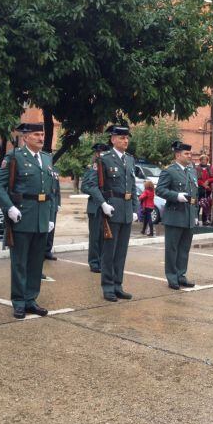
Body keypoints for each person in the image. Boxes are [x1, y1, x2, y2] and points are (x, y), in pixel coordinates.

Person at [0, 123, 57, 316]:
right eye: (36, 134)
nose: (41, 138)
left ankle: (31, 299)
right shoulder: (14, 157)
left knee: (36, 263)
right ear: (25, 137)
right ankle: (19, 301)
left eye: (42, 134)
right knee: (20, 263)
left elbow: (51, 191)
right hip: (22, 216)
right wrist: (9, 207)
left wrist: (51, 216)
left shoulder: (46, 158)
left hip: (42, 217)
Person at [82, 125, 139, 302]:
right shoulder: (104, 159)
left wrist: (135, 208)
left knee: (121, 252)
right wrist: (103, 204)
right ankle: (108, 287)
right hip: (112, 210)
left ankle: (117, 285)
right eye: (122, 138)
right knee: (109, 252)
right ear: (113, 139)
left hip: (126, 210)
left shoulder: (129, 160)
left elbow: (132, 186)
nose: (125, 141)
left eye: (127, 138)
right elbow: (90, 185)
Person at [155, 141, 198, 289]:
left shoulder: (192, 171)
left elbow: (195, 194)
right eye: (186, 154)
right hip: (174, 215)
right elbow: (160, 190)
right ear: (178, 155)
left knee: (184, 249)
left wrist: (195, 214)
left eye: (190, 153)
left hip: (189, 215)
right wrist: (176, 196)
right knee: (172, 249)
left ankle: (181, 275)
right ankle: (172, 277)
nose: (189, 156)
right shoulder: (169, 171)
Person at [80, 142, 110, 274]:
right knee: (95, 237)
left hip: (108, 205)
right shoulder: (93, 167)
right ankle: (94, 262)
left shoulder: (107, 167)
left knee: (105, 236)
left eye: (103, 152)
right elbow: (85, 187)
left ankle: (102, 260)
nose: (100, 155)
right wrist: (97, 194)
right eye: (99, 152)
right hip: (95, 206)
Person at [44, 163, 60, 262]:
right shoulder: (42, 167)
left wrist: (59, 203)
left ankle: (47, 251)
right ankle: (40, 252)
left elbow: (57, 188)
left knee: (51, 230)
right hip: (45, 203)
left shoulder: (55, 169)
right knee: (43, 230)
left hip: (53, 203)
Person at [195, 154, 213, 225]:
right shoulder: (197, 168)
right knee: (198, 204)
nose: (203, 161)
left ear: (207, 161)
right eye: (202, 160)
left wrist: (208, 181)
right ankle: (196, 220)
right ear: (200, 160)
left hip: (208, 189)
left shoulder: (210, 168)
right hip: (199, 189)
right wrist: (203, 184)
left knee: (206, 205)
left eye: (205, 160)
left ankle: (205, 220)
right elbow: (195, 178)